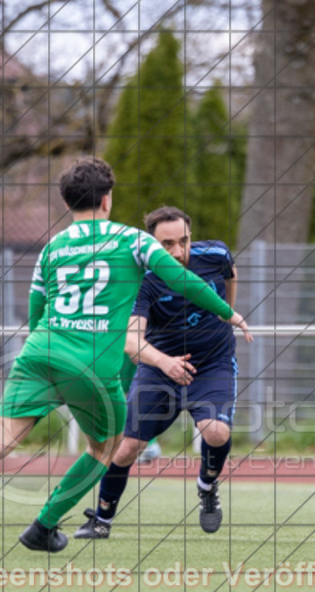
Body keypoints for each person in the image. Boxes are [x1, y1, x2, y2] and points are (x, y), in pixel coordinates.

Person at [0, 158, 252, 552]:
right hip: (91, 364)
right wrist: (230, 313)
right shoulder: (134, 241)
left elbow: (37, 310)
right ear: (107, 200)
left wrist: (46, 352)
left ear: (67, 203)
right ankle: (43, 526)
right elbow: (182, 278)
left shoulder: (51, 249)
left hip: (40, 350)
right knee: (105, 447)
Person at [75, 206, 238, 539]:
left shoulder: (215, 253)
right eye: (167, 245)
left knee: (216, 432)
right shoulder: (141, 281)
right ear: (151, 243)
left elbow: (230, 273)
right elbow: (131, 342)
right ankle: (101, 519)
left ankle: (207, 486)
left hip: (213, 363)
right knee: (126, 447)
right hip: (159, 369)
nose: (178, 252)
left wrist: (227, 312)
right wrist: (165, 362)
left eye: (184, 241)